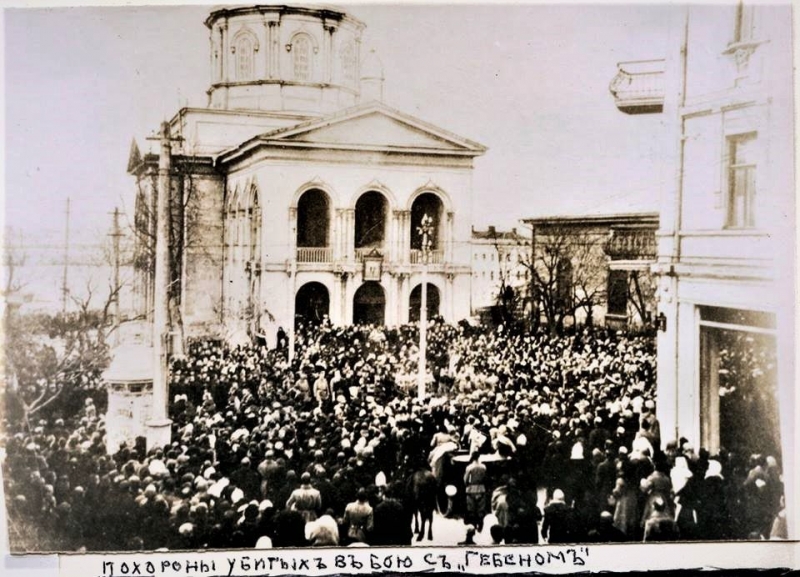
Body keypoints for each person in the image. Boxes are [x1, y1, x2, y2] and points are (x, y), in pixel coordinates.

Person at [463, 452, 488, 532]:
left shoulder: (469, 467)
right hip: (481, 489)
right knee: (481, 508)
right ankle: (480, 525)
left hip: (471, 489)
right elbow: (485, 478)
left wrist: (467, 485)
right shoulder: (483, 467)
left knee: (471, 508)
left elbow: (465, 479)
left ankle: (473, 525)